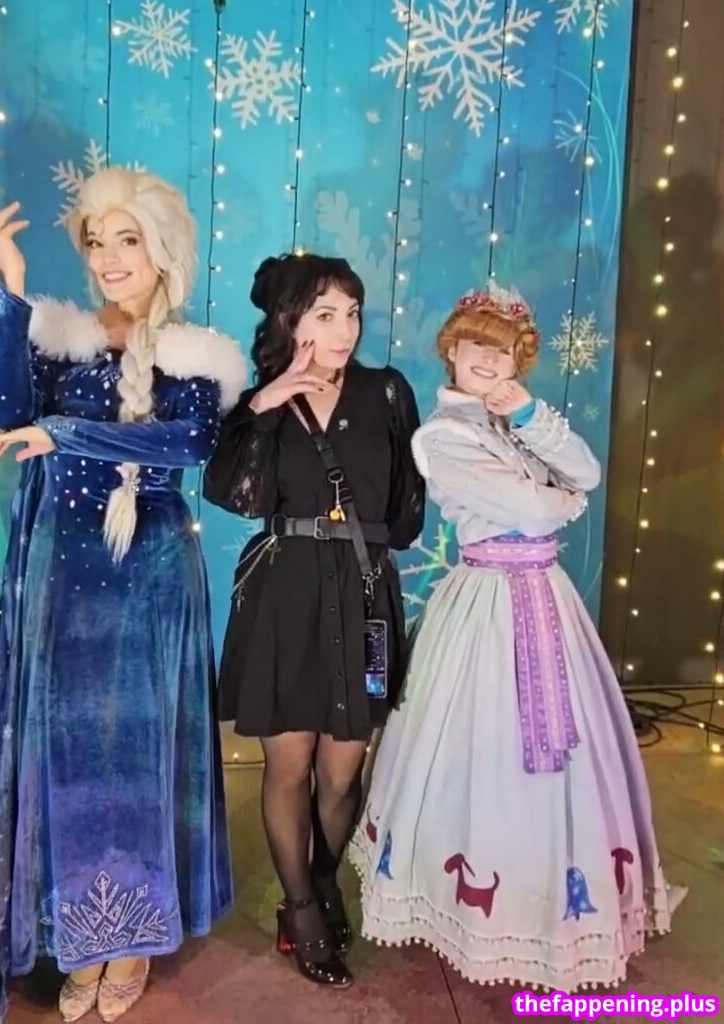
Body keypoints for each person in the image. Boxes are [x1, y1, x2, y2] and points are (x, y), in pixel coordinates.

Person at [0, 167, 245, 1023]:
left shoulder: (196, 353)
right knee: (70, 756)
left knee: (137, 757)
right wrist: (12, 288)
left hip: (149, 578)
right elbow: (3, 407)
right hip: (62, 574)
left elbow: (187, 443)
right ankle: (82, 931)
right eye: (96, 242)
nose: (107, 257)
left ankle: (132, 938)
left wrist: (62, 433)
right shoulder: (63, 336)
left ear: (163, 248)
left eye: (125, 239)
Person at [350, 283, 686, 991]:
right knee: (483, 747)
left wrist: (531, 419)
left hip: (546, 599)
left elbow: (586, 472)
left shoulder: (516, 419)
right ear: (452, 348)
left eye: (502, 351)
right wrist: (562, 500)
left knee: (571, 757)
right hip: (487, 602)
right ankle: (479, 909)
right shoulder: (442, 436)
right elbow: (533, 510)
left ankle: (555, 904)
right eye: (476, 344)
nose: (487, 359)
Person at [203, 253, 424, 989]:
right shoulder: (258, 402)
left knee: (341, 771)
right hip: (284, 600)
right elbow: (235, 495)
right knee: (289, 767)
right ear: (289, 320)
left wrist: (359, 543)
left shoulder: (387, 391)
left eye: (351, 312)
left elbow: (408, 510)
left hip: (363, 598)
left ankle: (323, 882)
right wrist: (267, 405)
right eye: (326, 314)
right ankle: (300, 909)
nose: (344, 329)